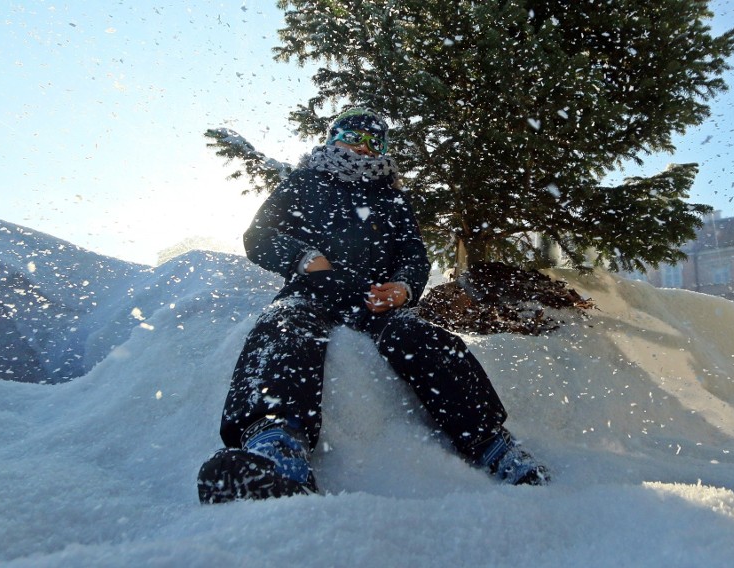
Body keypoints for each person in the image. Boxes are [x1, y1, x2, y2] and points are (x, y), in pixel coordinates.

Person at [197, 108, 549, 503]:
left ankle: (490, 442)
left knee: (419, 337)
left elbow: (414, 255)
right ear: (333, 137)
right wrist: (304, 257)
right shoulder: (304, 181)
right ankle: (275, 449)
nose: (363, 147)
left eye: (374, 141)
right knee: (285, 326)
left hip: (374, 301)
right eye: (352, 135)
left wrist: (402, 288)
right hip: (312, 290)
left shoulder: (390, 196)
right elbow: (259, 236)